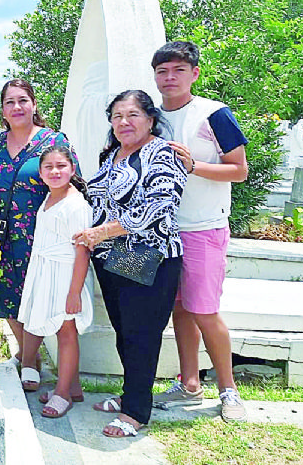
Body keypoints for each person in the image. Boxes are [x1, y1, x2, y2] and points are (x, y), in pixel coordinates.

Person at [72, 89, 186, 438]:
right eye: (117, 116)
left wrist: (102, 232)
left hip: (148, 254)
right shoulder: (113, 154)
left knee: (141, 335)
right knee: (125, 332)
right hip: (112, 256)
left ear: (150, 119)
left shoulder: (162, 154)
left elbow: (160, 206)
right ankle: (130, 395)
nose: (124, 122)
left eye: (133, 115)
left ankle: (135, 412)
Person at [151, 41, 249, 422]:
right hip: (162, 229)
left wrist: (194, 166)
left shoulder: (213, 114)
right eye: (162, 71)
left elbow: (239, 170)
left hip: (203, 226)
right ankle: (189, 383)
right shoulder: (150, 116)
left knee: (204, 311)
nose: (169, 78)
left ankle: (229, 390)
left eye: (178, 70)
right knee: (179, 308)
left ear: (194, 73)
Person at [0, 79, 77, 389]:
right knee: (8, 295)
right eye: (9, 102)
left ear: (34, 104)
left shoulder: (52, 141)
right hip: (2, 233)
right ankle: (29, 355)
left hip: (41, 234)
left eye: (23, 100)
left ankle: (29, 362)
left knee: (36, 296)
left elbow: (72, 183)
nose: (17, 107)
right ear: (3, 110)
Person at [16, 145, 93, 418]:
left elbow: (82, 252)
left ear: (72, 169)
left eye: (61, 166)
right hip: (46, 270)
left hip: (66, 273)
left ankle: (62, 394)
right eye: (48, 167)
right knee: (58, 328)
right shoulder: (50, 197)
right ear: (40, 173)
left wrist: (74, 292)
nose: (55, 171)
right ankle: (73, 387)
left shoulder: (76, 205)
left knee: (66, 331)